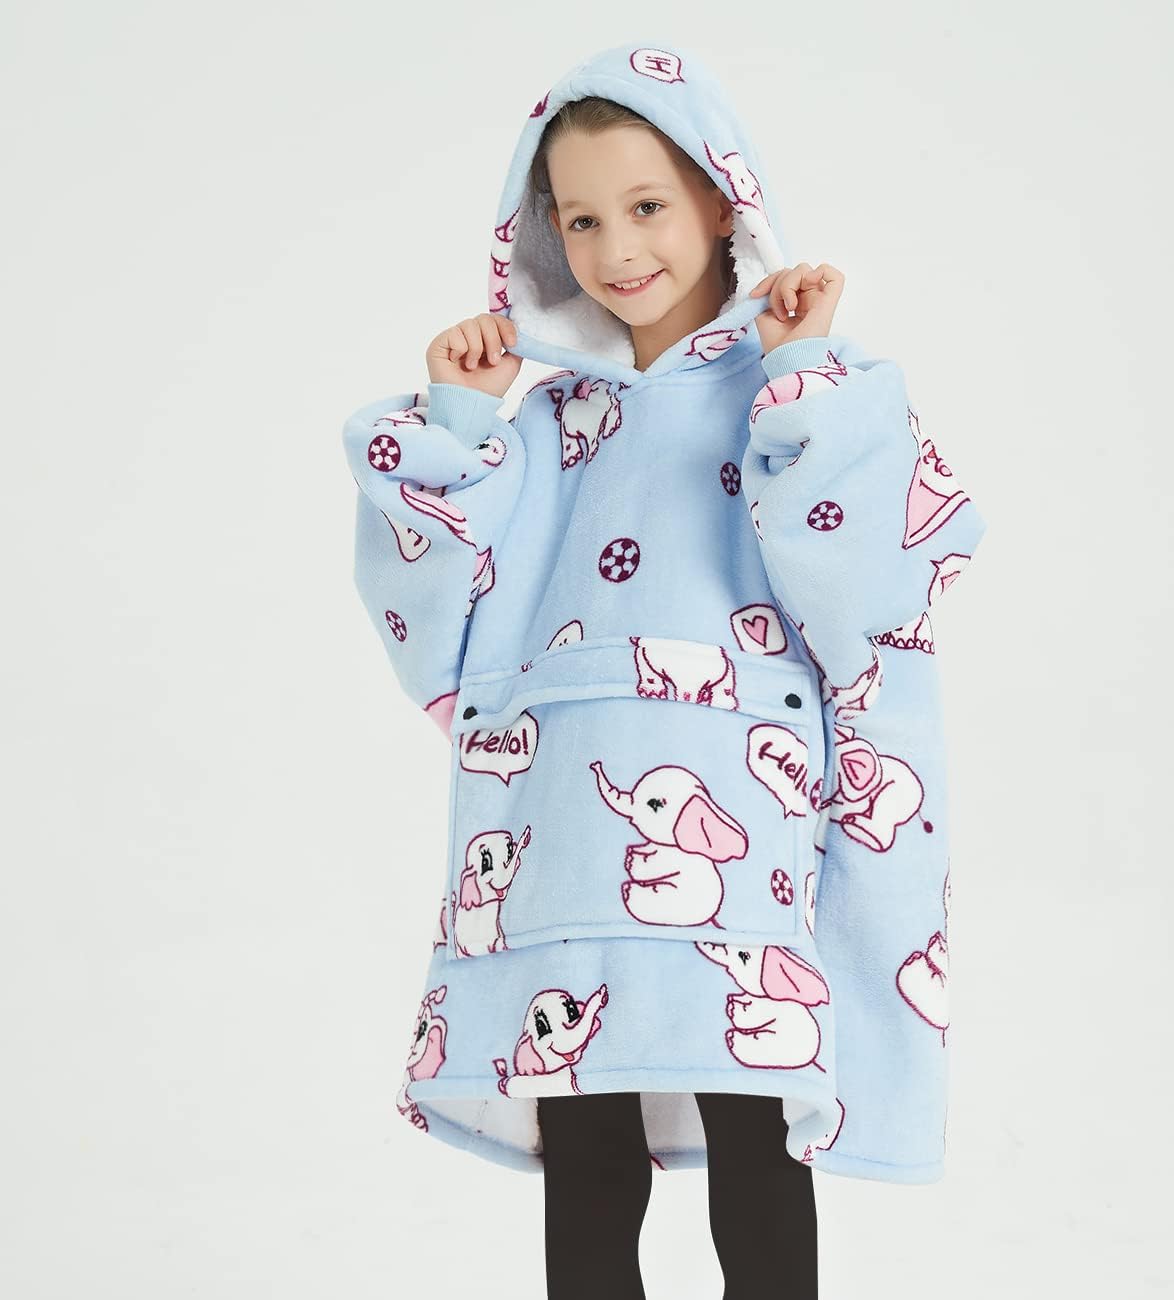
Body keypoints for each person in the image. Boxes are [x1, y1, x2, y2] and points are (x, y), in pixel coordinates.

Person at [341, 38, 989, 1299]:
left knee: (756, 1132)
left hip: (743, 838)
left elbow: (872, 593)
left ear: (720, 200)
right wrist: (459, 422)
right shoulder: (542, 423)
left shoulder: (806, 393)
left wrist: (799, 375)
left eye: (646, 205)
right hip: (563, 841)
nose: (616, 248)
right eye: (580, 218)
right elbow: (436, 619)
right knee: (587, 1154)